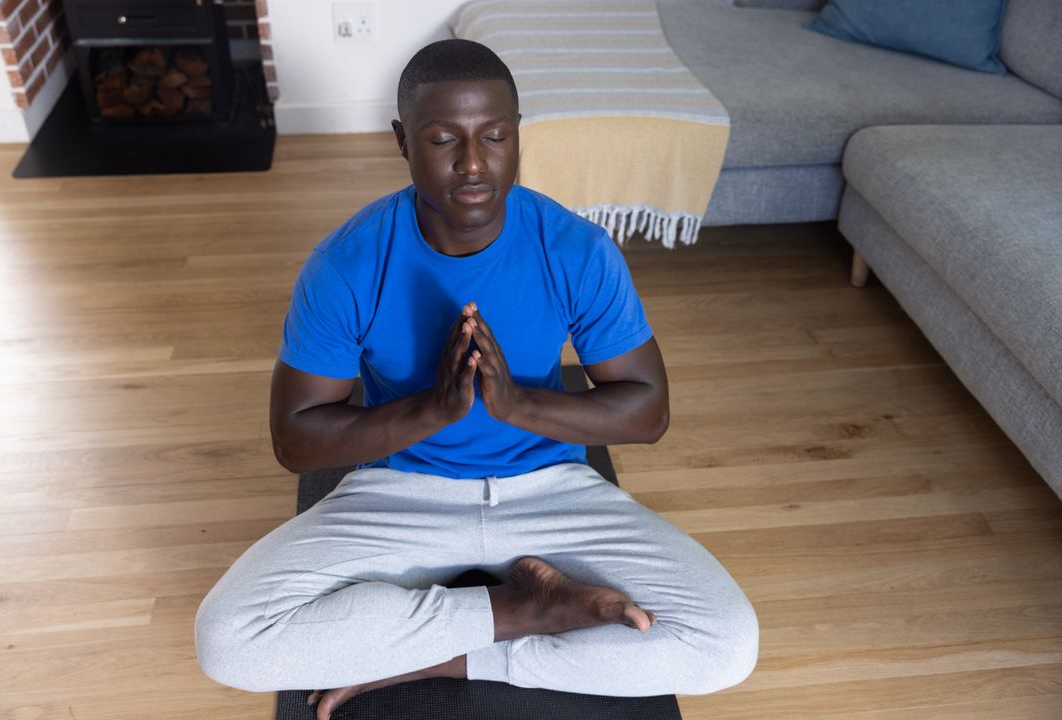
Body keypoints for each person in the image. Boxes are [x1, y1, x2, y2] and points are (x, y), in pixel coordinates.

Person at [195, 39, 758, 720]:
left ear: (517, 135)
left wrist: (516, 403)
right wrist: (432, 411)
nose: (472, 163)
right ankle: (517, 608)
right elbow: (296, 441)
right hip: (402, 494)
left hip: (554, 494)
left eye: (495, 136)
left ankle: (445, 652)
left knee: (728, 643)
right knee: (227, 641)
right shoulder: (346, 263)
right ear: (403, 140)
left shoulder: (576, 248)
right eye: (442, 139)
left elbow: (647, 413)